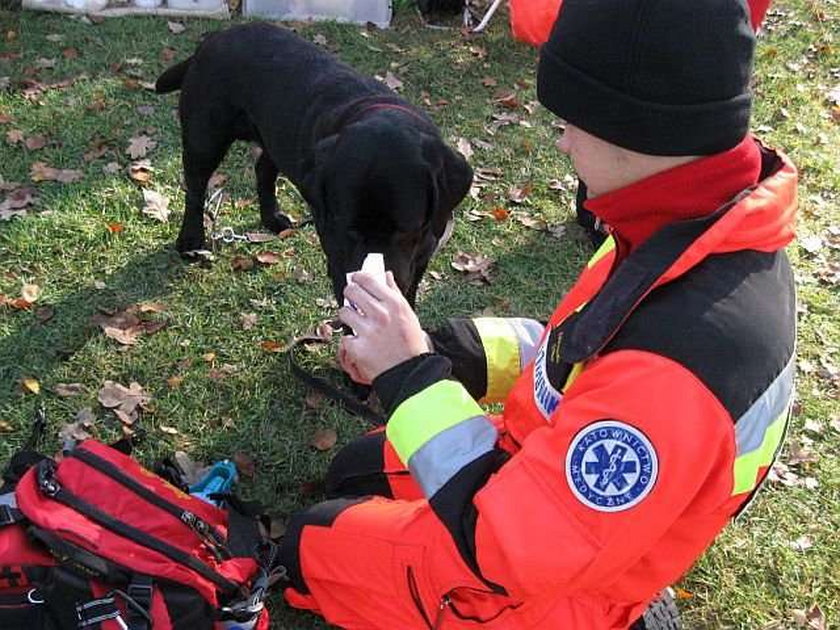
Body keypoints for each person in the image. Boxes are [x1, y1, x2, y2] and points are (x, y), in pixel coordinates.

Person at [277, 0, 798, 627]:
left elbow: (500, 549)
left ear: (629, 126)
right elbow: (582, 348)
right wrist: (450, 350)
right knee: (354, 471)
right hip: (539, 471)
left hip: (543, 585)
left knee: (307, 546)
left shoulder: (678, 362)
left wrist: (411, 374)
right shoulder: (692, 227)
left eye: (571, 121)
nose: (562, 140)